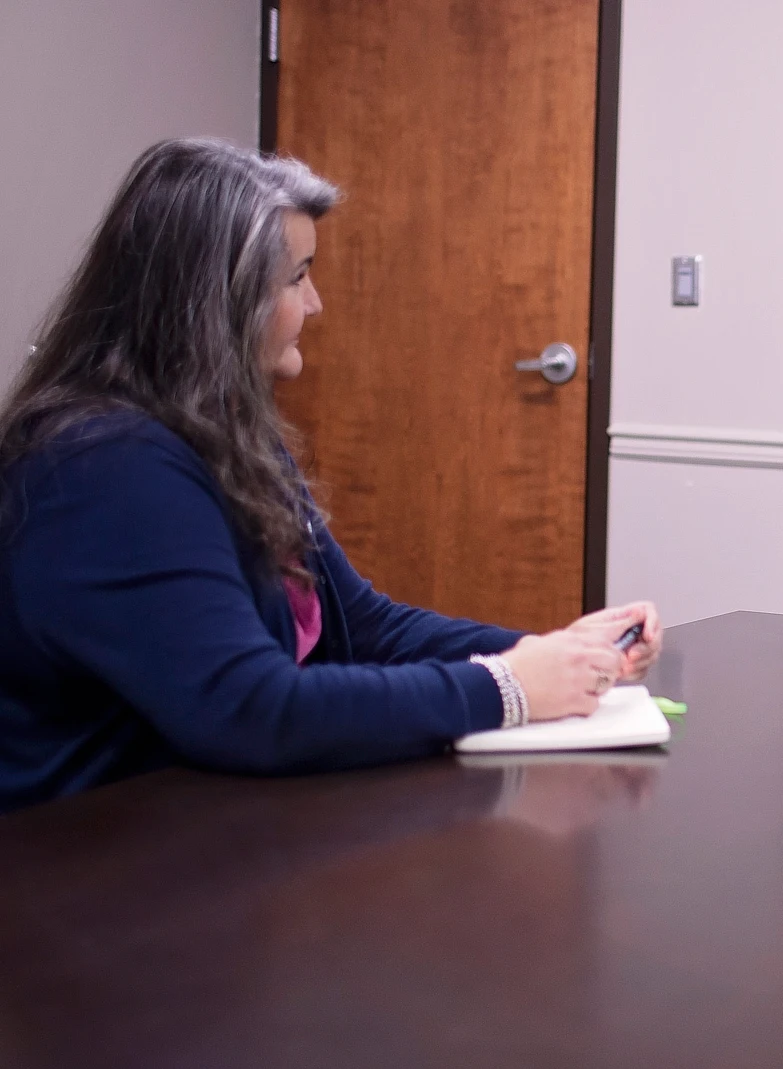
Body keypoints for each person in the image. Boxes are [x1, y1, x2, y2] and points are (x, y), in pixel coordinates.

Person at [0, 138, 664, 813]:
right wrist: (509, 688)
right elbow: (251, 710)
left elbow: (364, 627)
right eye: (295, 278)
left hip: (203, 832)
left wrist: (554, 656)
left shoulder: (227, 433)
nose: (315, 305)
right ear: (215, 300)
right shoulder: (106, 465)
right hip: (83, 872)